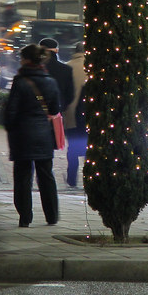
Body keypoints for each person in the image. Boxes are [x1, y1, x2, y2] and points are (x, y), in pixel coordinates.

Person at [4, 44, 60, 227]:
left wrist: (10, 128)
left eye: (21, 57)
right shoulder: (51, 81)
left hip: (22, 135)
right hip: (43, 135)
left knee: (22, 178)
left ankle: (25, 218)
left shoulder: (20, 82)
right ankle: (51, 216)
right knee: (46, 176)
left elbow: (11, 112)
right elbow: (54, 109)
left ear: (27, 60)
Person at [65, 41, 87, 188]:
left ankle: (72, 178)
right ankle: (90, 177)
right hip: (89, 115)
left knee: (72, 148)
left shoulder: (67, 66)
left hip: (70, 115)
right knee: (90, 148)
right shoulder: (94, 68)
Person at [38, 37, 74, 112]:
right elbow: (70, 95)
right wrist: (62, 107)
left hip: (36, 112)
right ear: (56, 50)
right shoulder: (66, 69)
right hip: (57, 110)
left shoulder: (34, 68)